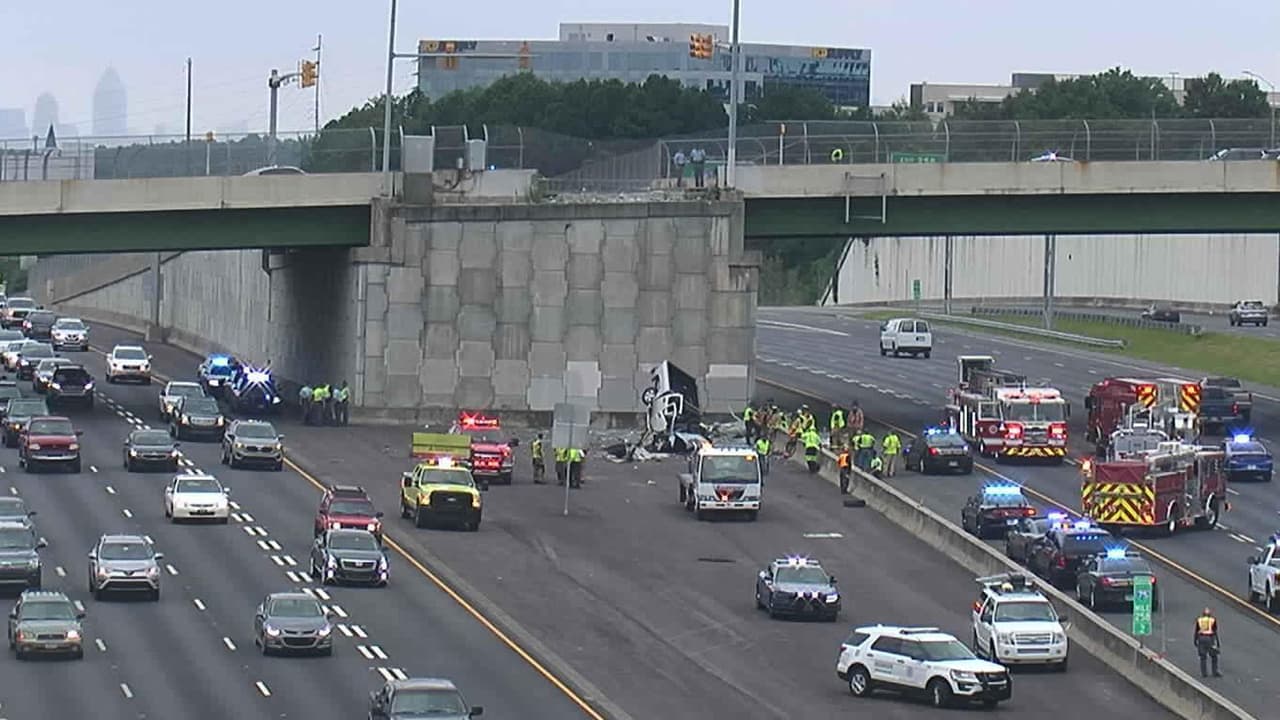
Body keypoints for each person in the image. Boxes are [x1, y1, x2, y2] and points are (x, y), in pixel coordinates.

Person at [1195, 607, 1222, 677]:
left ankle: (1204, 673)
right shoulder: (1212, 620)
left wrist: (1195, 640)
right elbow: (1215, 631)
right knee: (1214, 656)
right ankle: (1215, 672)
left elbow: (1196, 631)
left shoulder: (1199, 620)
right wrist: (1218, 642)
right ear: (1210, 614)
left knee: (1203, 656)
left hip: (1201, 638)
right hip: (1210, 639)